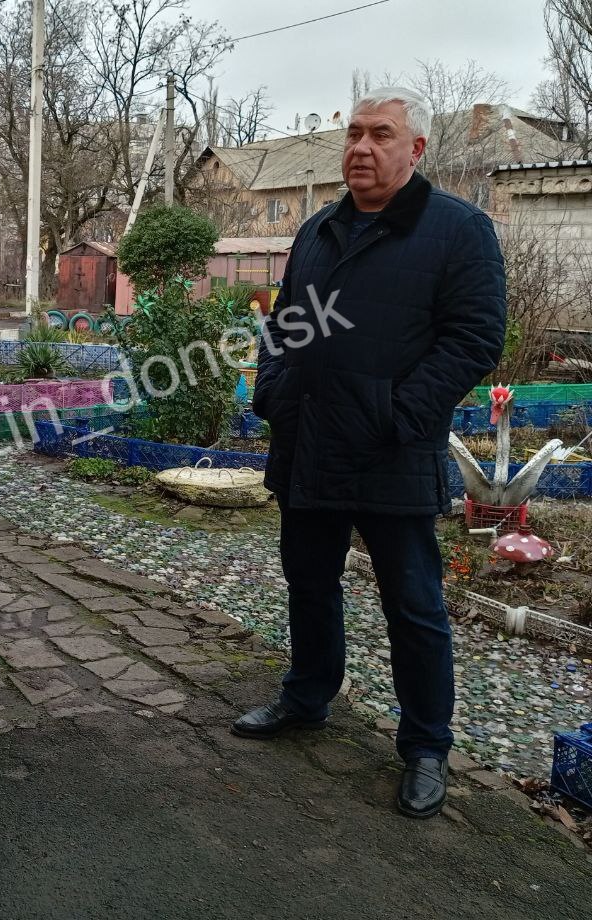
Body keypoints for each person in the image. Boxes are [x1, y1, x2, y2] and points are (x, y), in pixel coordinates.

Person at [234, 87, 507, 820]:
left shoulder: (458, 230)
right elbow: (287, 324)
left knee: (413, 604)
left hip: (391, 449)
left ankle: (425, 747)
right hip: (310, 441)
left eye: (380, 134)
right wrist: (275, 393)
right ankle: (308, 695)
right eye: (353, 134)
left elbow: (476, 339)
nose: (360, 147)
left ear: (415, 150)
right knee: (309, 582)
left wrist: (401, 413)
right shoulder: (320, 228)